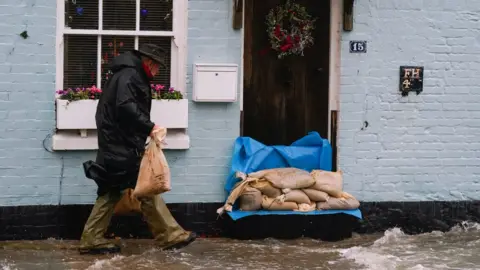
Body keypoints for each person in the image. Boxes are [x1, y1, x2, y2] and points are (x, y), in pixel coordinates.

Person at [79, 44, 196, 255]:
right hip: (121, 146)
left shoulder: (126, 74)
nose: (158, 72)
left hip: (116, 144)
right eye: (158, 67)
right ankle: (170, 235)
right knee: (146, 188)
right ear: (149, 63)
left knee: (111, 190)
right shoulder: (131, 75)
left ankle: (91, 238)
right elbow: (125, 106)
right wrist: (150, 127)